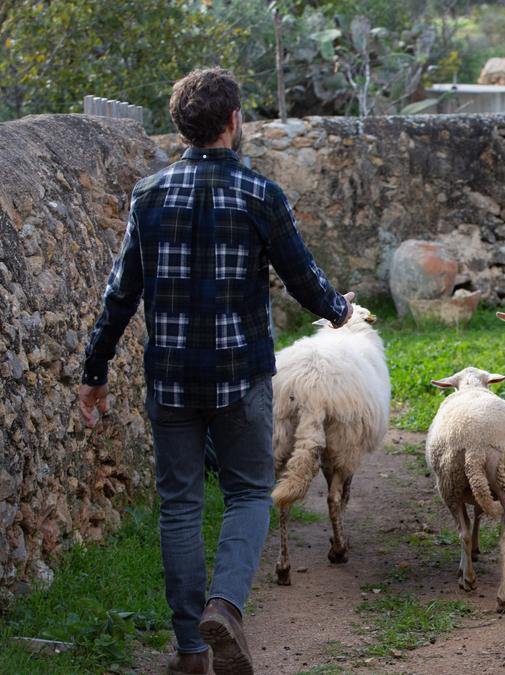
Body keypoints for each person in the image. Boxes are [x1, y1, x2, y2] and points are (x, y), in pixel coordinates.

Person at [77, 68, 353, 675]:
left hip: (171, 379)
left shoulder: (148, 196)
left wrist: (94, 370)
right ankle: (225, 606)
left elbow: (119, 294)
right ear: (233, 123)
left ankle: (191, 651)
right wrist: (341, 311)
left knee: (178, 506)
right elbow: (304, 279)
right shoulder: (261, 195)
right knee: (250, 492)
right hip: (241, 379)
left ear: (182, 126)